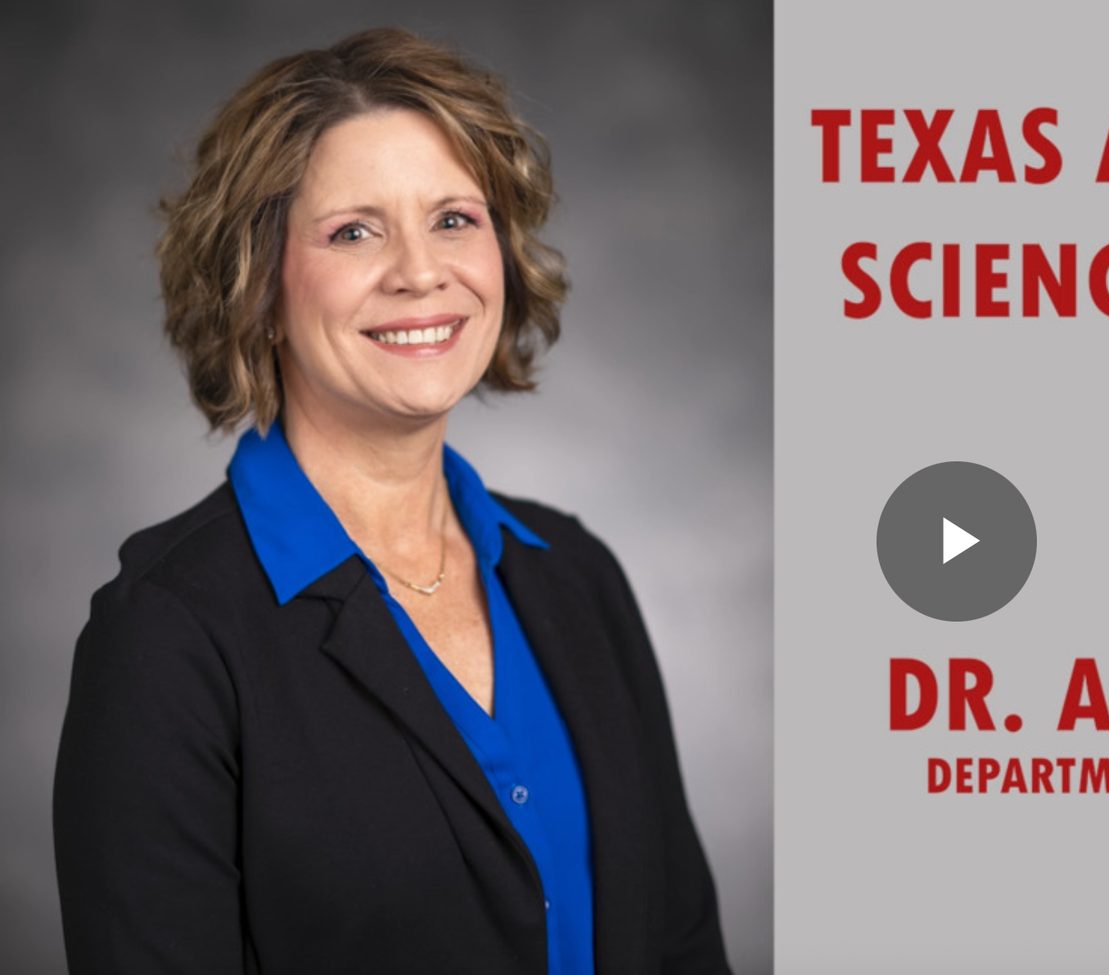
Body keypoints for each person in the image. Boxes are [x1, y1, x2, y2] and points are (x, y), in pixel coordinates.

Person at [51, 28, 731, 974]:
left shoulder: (576, 573)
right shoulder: (167, 637)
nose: (420, 271)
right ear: (257, 284)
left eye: (454, 217)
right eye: (354, 231)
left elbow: (683, 946)